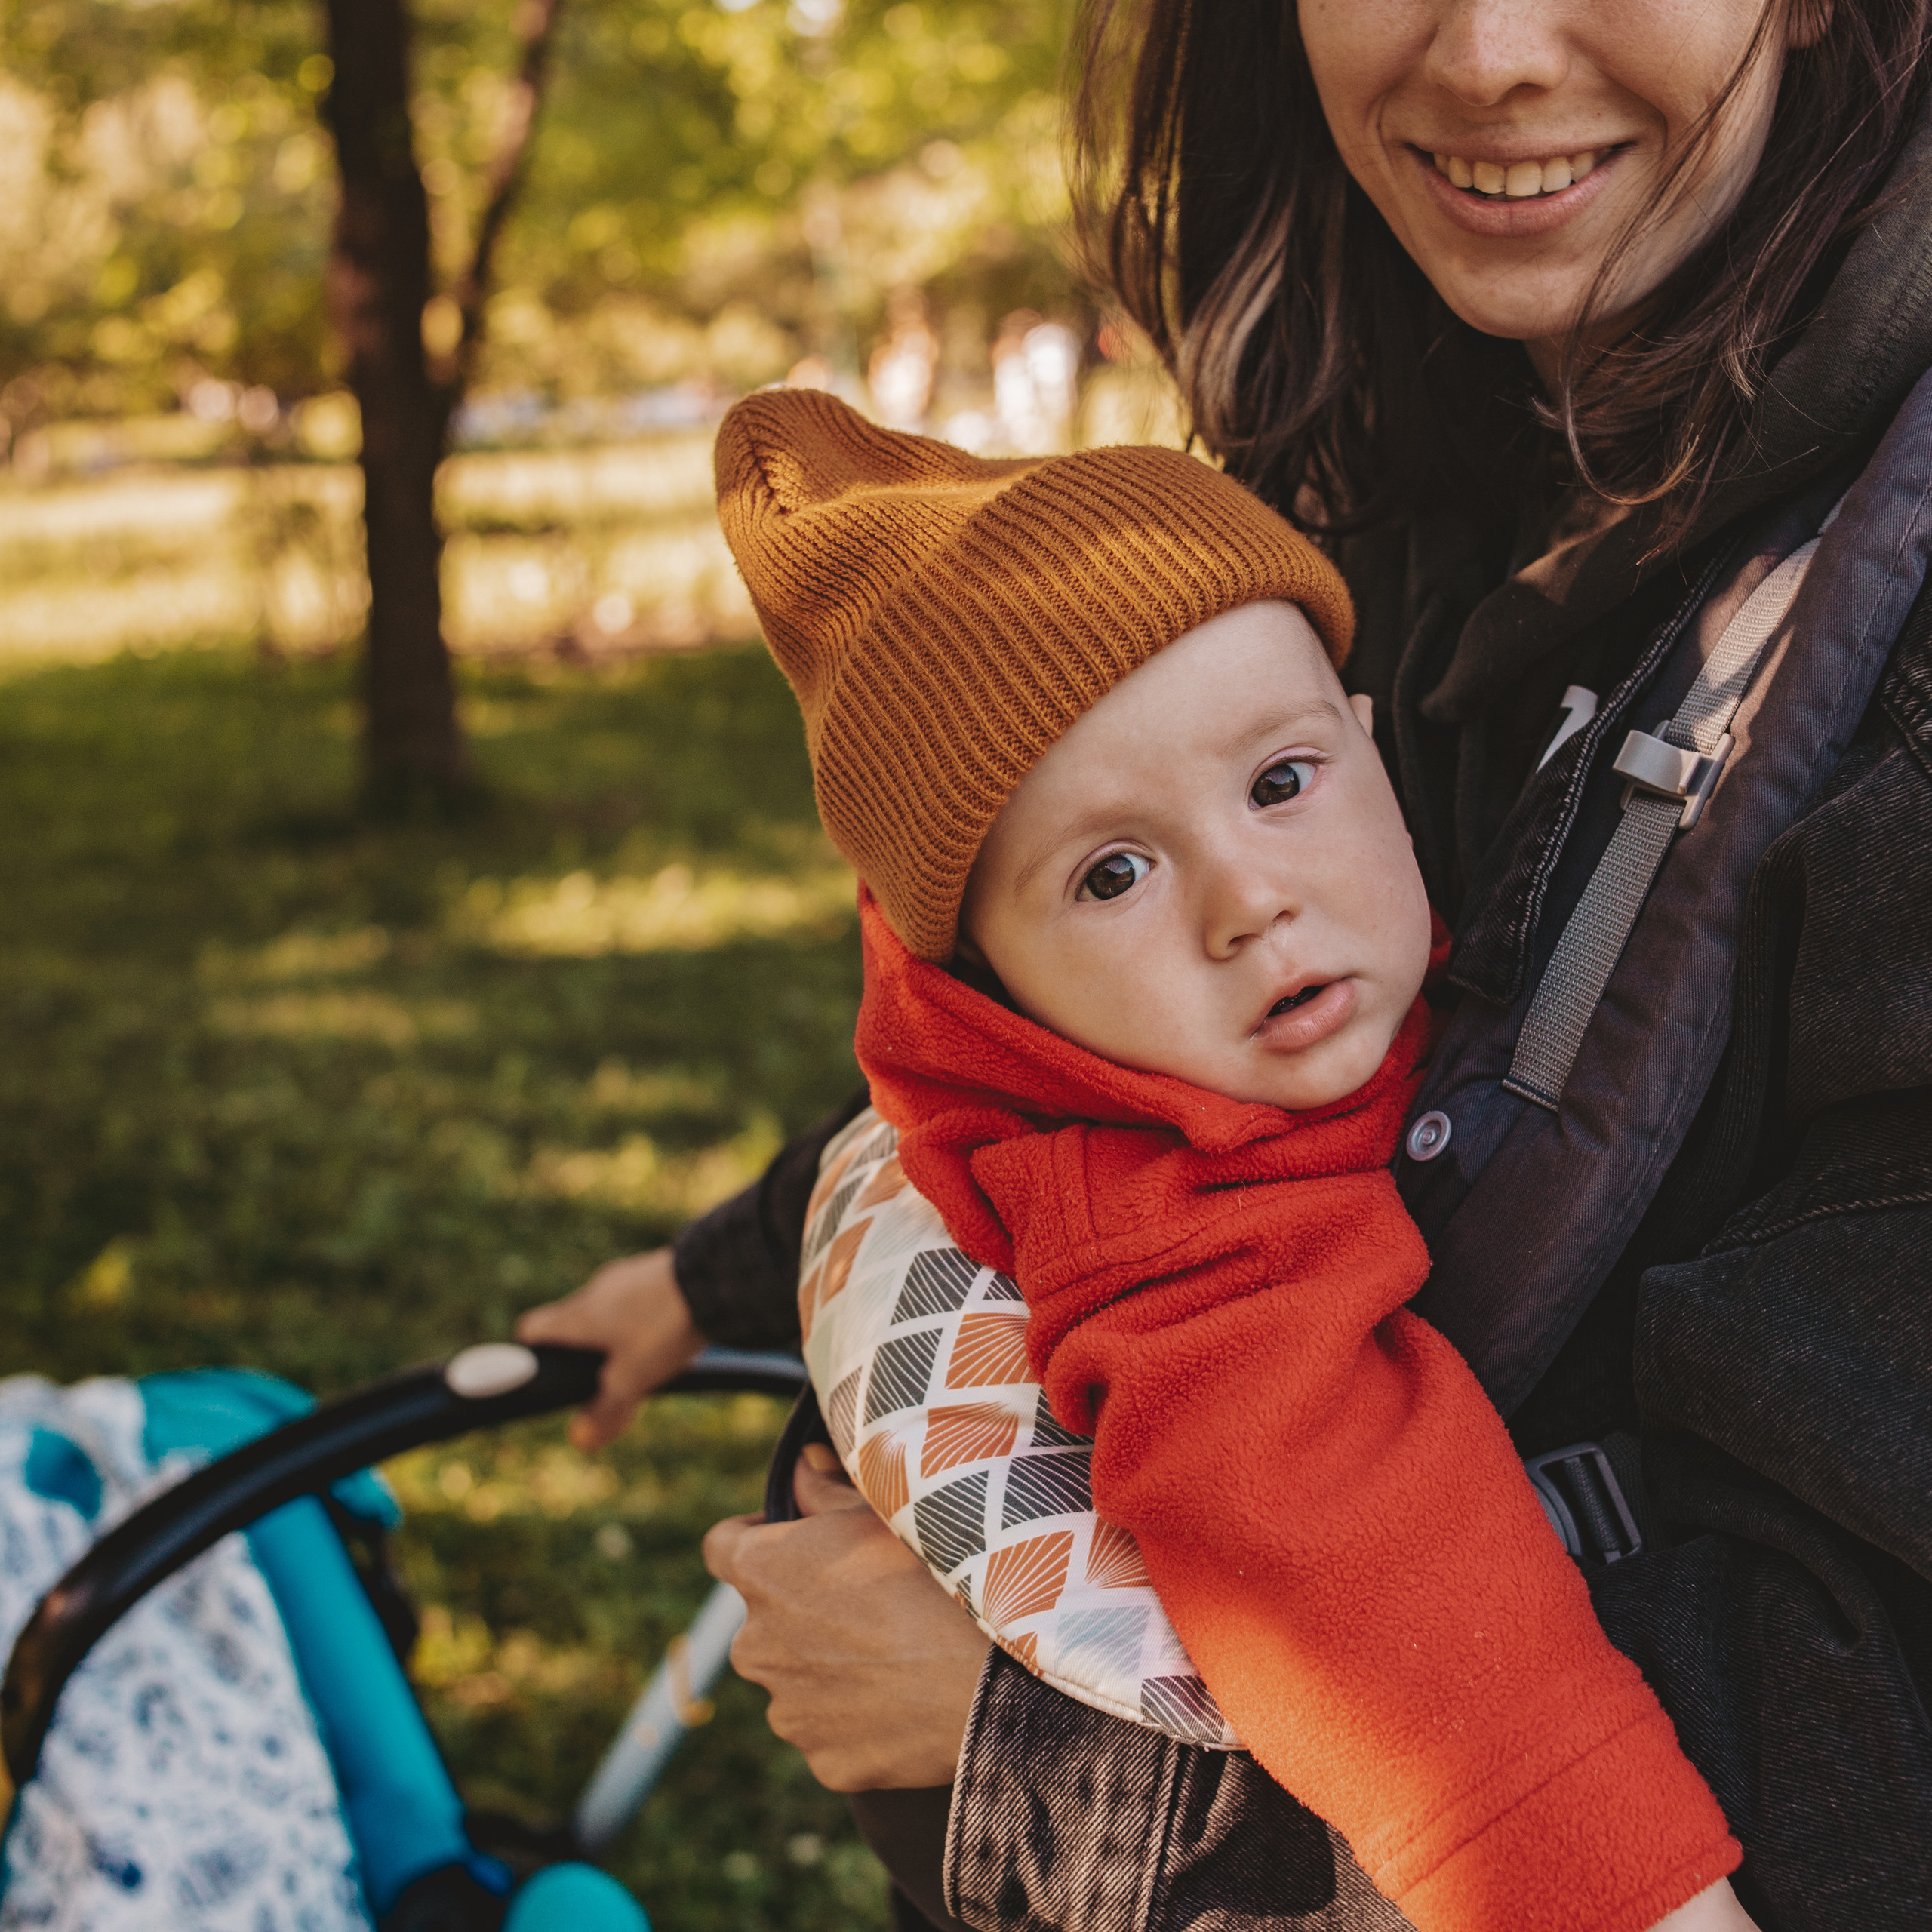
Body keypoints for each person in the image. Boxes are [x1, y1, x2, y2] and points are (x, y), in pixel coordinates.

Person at [522, 2, 1932, 1927]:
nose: (1488, 52)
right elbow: (1371, 1587)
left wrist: (1025, 1760)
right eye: (1111, 872)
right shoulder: (1207, 1270)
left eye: (1283, 783)